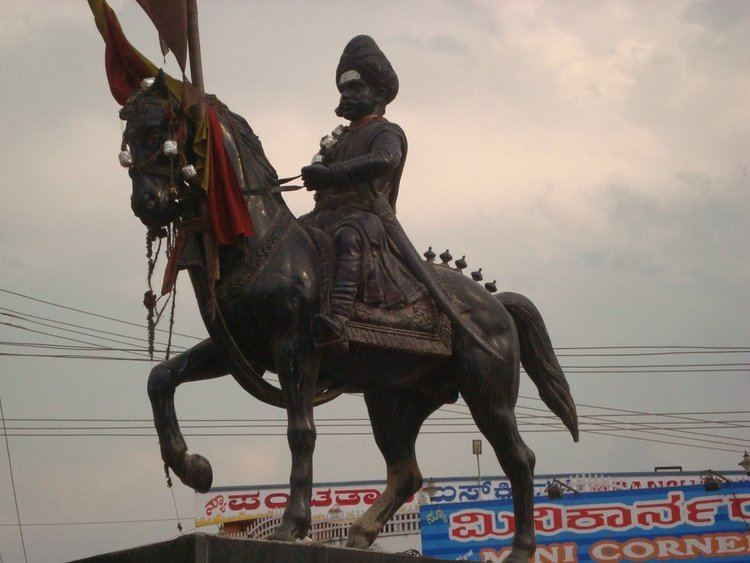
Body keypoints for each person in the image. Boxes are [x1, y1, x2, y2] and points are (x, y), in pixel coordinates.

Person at [301, 35, 425, 352]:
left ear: (379, 93)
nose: (347, 94)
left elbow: (385, 159)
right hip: (324, 215)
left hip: (366, 216)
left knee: (348, 237)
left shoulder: (386, 131)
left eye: (356, 87)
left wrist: (330, 174)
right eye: (343, 89)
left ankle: (338, 319)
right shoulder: (337, 139)